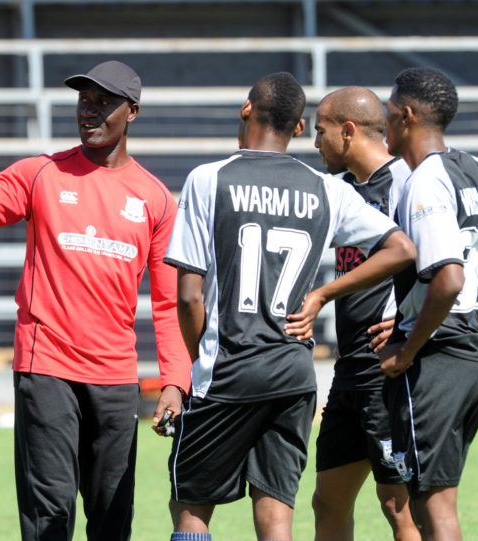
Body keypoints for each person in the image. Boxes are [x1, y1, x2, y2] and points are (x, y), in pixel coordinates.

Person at [0, 60, 190, 541]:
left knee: (112, 518)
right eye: (83, 101)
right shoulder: (39, 173)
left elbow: (169, 303)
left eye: (103, 103)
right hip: (45, 366)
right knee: (50, 516)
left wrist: (175, 380)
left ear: (131, 112)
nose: (89, 112)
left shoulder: (156, 199)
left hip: (115, 376)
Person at [163, 72, 416, 541]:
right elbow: (401, 248)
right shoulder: (327, 188)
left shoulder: (208, 179)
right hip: (295, 372)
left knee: (192, 507)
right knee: (277, 513)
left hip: (229, 368)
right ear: (299, 128)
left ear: (245, 110)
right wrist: (322, 296)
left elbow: (188, 295)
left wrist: (203, 356)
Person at [378, 67, 478, 541]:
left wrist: (407, 351)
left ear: (406, 116)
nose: (384, 125)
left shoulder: (425, 182)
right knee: (433, 501)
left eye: (388, 114)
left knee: (436, 507)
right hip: (471, 355)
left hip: (436, 359)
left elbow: (448, 280)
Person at [285, 86, 421, 541]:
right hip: (350, 369)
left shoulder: (407, 183)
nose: (315, 142)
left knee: (398, 507)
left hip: (389, 370)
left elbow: (445, 265)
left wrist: (413, 325)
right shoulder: (339, 191)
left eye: (320, 132)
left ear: (347, 131)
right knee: (328, 501)